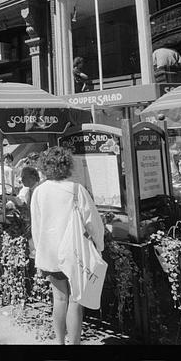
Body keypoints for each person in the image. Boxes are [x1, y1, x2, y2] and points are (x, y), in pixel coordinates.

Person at [31, 146, 104, 345]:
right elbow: (92, 222)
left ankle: (59, 342)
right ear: (67, 165)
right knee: (75, 300)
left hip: (50, 253)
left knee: (59, 299)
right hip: (75, 253)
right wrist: (99, 246)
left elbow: (36, 225)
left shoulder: (39, 191)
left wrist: (39, 250)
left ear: (44, 166)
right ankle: (75, 344)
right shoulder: (76, 189)